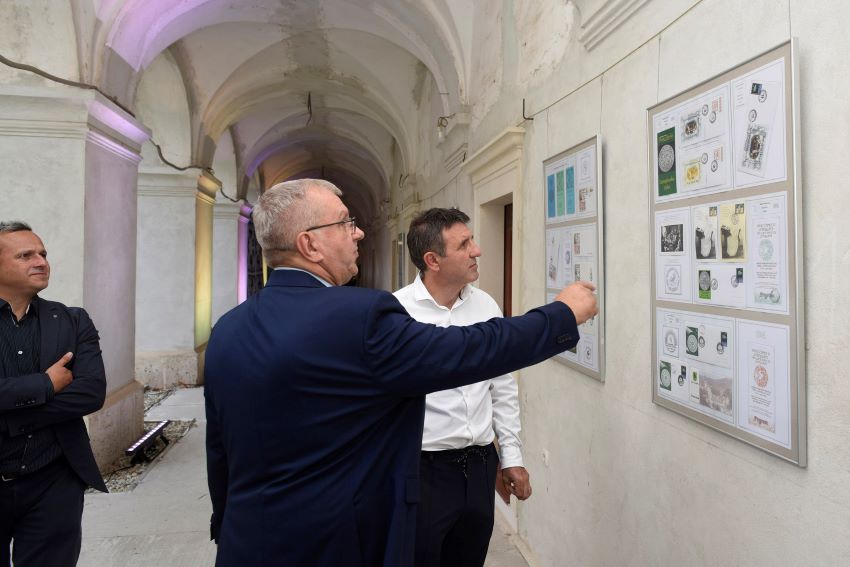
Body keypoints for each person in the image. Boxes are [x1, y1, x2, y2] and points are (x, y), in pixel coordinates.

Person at [203, 179, 597, 567]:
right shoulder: (360, 317)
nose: (358, 231)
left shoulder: (227, 330)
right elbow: (466, 350)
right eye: (344, 222)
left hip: (246, 542)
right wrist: (561, 316)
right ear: (310, 244)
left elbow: (221, 455)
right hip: (333, 544)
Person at [394, 208, 531, 567]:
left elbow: (502, 386)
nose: (477, 250)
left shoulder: (485, 305)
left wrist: (511, 457)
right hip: (425, 471)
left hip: (480, 466)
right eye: (464, 244)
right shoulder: (398, 313)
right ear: (433, 260)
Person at [0, 221, 107, 567]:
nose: (41, 262)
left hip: (54, 481)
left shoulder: (73, 321)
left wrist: (11, 416)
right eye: (25, 255)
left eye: (43, 254)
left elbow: (90, 393)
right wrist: (45, 384)